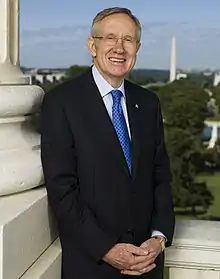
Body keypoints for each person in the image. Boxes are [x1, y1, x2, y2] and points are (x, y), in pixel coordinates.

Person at [40, 7, 175, 279]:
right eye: (110, 38)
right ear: (92, 45)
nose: (119, 48)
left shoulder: (148, 103)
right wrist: (106, 249)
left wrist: (158, 239)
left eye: (128, 40)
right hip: (93, 266)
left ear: (137, 48)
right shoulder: (61, 103)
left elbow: (161, 177)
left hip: (147, 265)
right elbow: (62, 189)